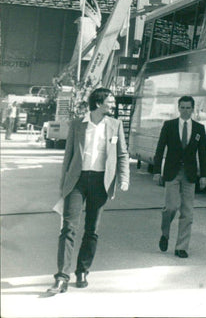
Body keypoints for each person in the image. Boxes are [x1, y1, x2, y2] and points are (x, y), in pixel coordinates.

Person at [46, 88, 129, 295]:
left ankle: (82, 270)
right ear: (98, 103)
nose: (113, 105)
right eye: (110, 102)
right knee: (68, 228)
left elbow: (122, 154)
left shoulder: (115, 124)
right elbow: (69, 155)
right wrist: (63, 184)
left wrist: (123, 178)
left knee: (92, 230)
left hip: (101, 182)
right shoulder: (78, 124)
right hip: (77, 181)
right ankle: (62, 277)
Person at [153, 95, 206, 258]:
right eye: (182, 107)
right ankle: (165, 233)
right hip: (172, 172)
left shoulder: (199, 128)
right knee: (171, 207)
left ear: (193, 109)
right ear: (178, 108)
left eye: (188, 108)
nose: (185, 111)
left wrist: (204, 175)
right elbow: (160, 149)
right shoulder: (169, 126)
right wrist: (157, 171)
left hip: (190, 174)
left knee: (187, 212)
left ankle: (181, 247)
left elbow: (203, 153)